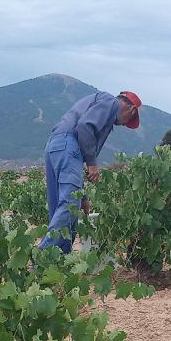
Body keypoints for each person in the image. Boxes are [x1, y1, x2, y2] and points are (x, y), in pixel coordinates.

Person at [39, 90, 141, 254]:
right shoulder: (111, 102)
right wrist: (92, 164)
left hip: (55, 146)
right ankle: (42, 257)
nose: (123, 124)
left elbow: (76, 157)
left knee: (63, 206)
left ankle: (58, 261)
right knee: (69, 205)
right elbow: (84, 127)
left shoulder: (98, 102)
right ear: (132, 110)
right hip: (67, 144)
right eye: (128, 120)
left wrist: (83, 198)